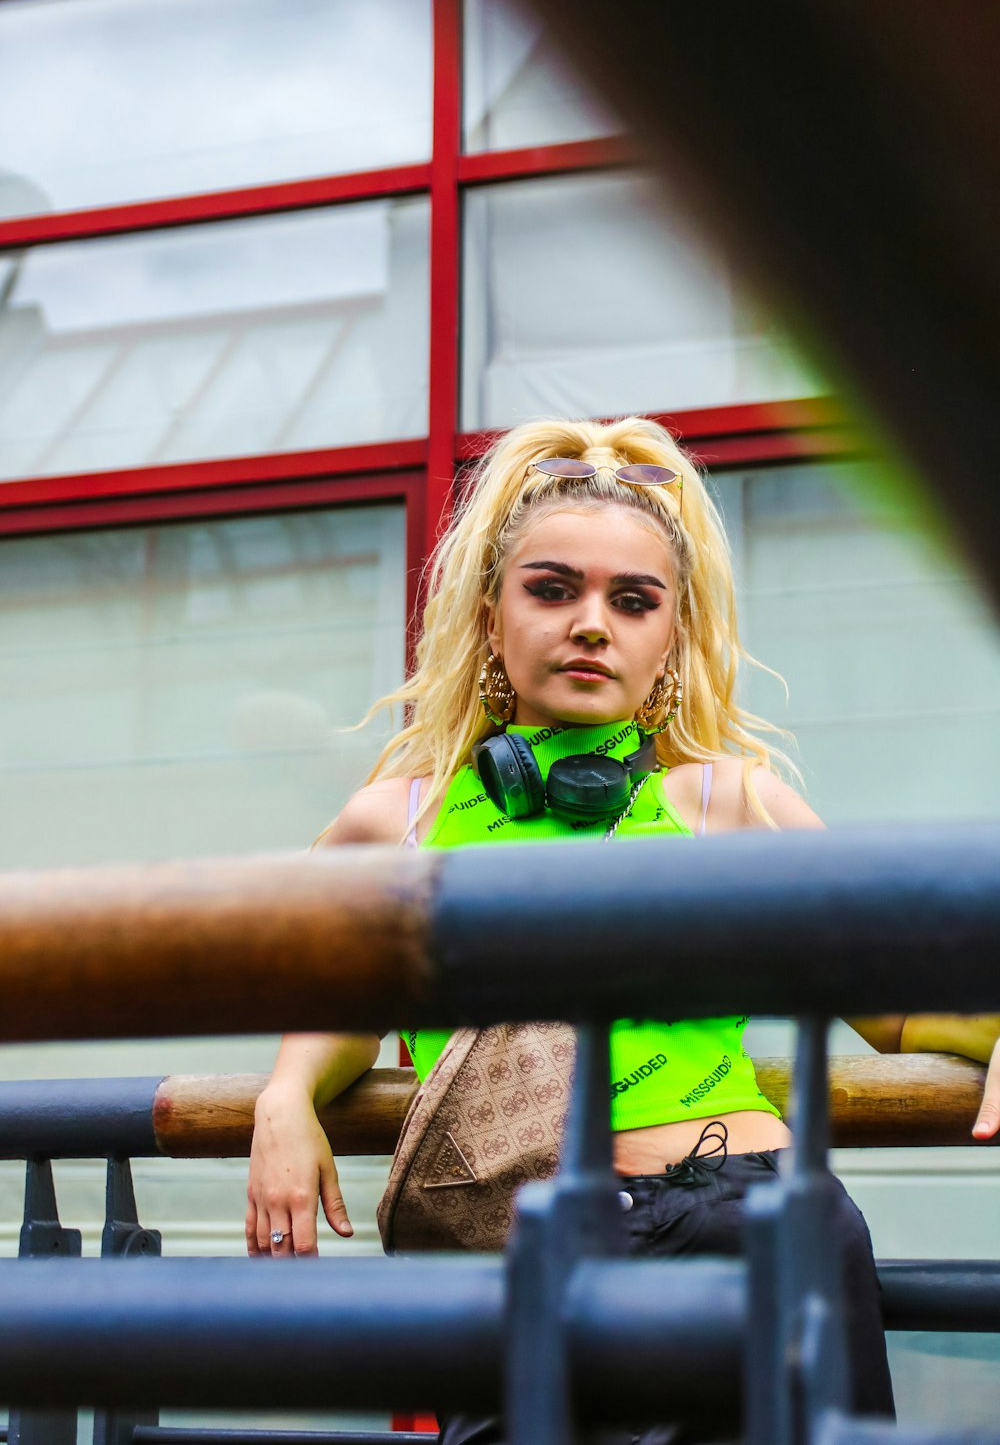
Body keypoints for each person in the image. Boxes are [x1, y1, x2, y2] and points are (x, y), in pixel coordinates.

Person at [246, 416, 1000, 1439]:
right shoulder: (401, 820)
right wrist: (285, 1097)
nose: (591, 624)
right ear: (489, 615)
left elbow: (900, 1006)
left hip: (745, 1227)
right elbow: (339, 997)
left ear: (672, 642)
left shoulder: (729, 805)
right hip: (519, 1256)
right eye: (552, 589)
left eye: (632, 600)